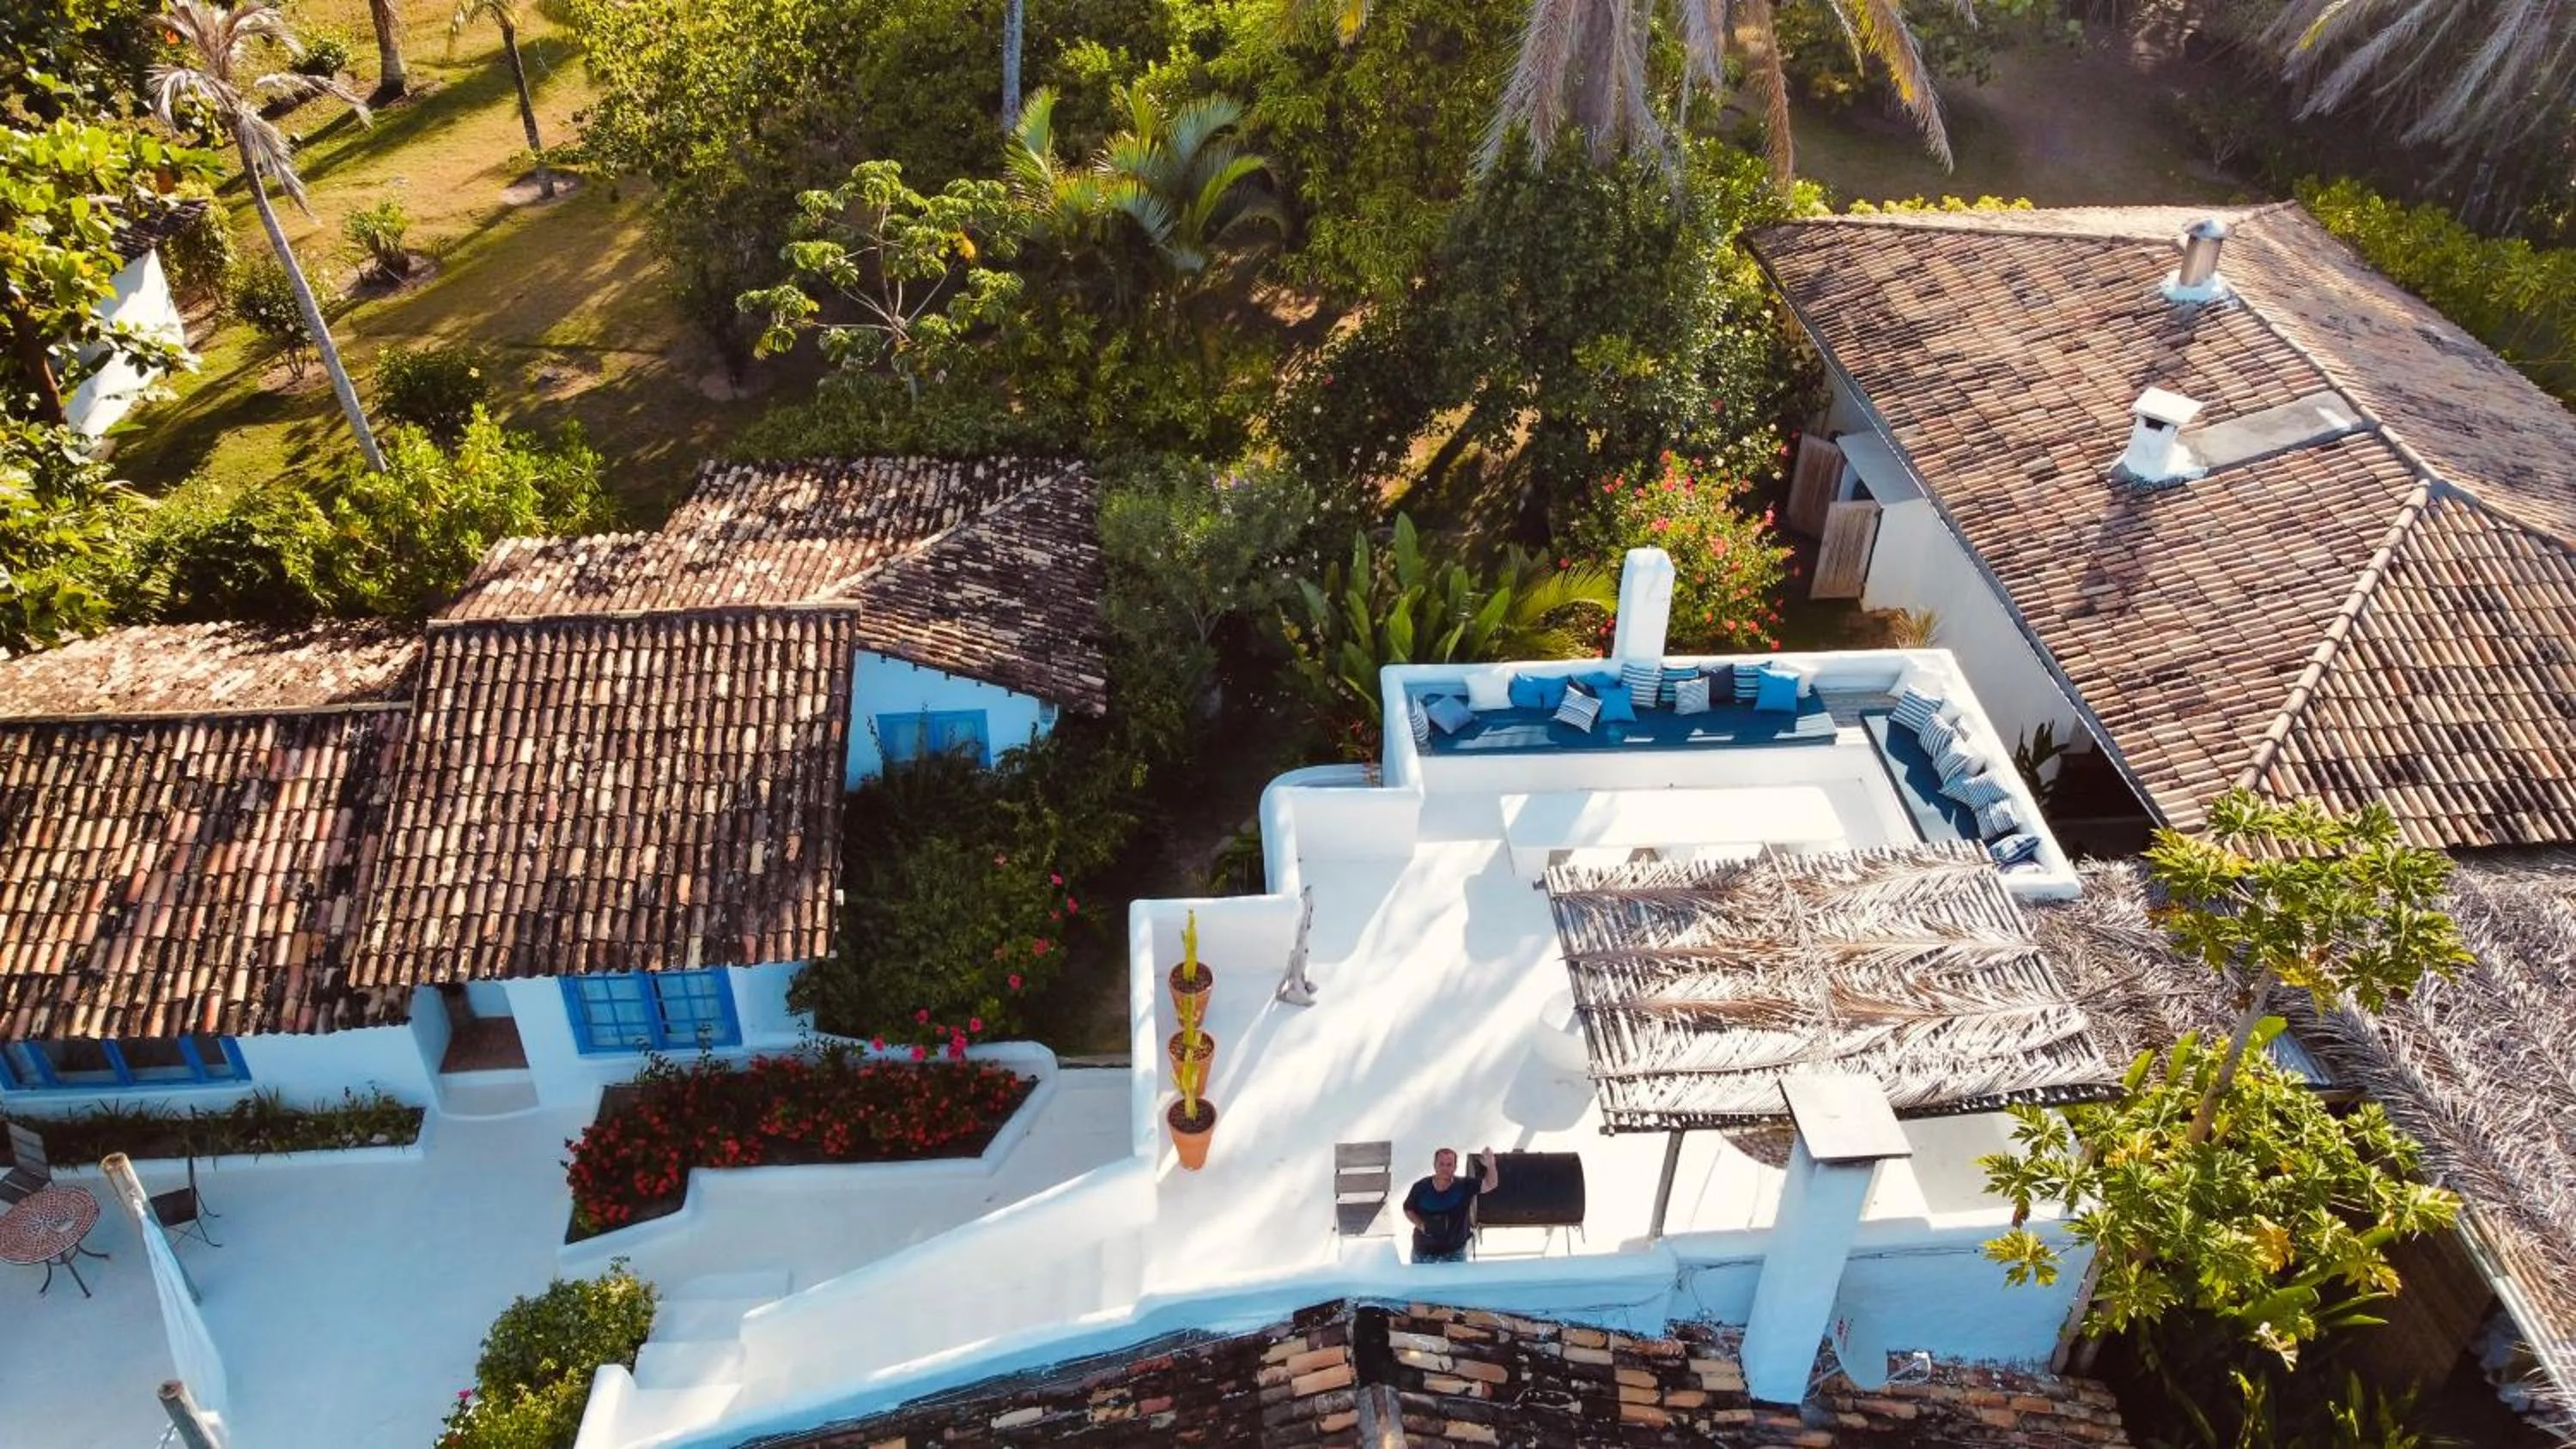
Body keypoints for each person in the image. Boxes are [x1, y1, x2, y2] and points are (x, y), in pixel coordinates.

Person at [1403, 1146, 1498, 1263]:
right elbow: (1408, 1209)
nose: (1445, 1168)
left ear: (1455, 1167)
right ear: (1434, 1165)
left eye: (1449, 1165)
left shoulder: (1464, 1185)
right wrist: (1422, 1225)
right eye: (1441, 1164)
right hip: (1423, 1252)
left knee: (1459, 1281)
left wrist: (1491, 1165)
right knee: (1419, 1281)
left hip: (1455, 1253)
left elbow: (1490, 1184)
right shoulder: (1420, 1187)